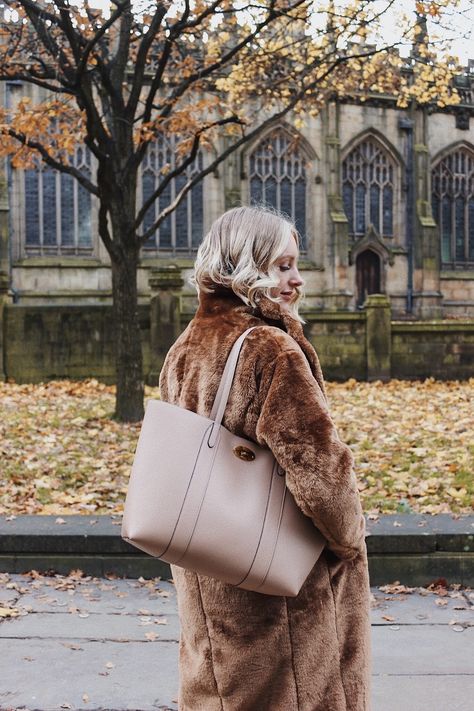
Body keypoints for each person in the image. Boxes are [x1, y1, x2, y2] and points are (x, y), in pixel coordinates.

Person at [159, 205, 371, 711]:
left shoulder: (185, 347)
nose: (297, 279)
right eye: (282, 266)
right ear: (245, 266)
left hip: (211, 581)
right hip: (283, 599)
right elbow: (321, 475)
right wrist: (350, 541)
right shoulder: (271, 349)